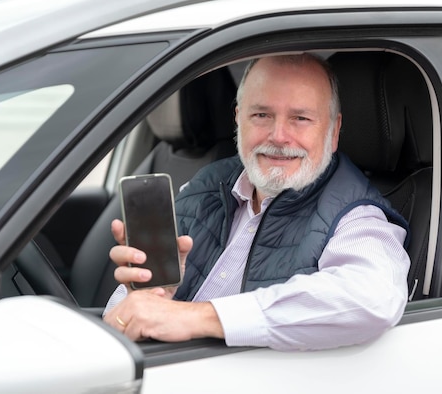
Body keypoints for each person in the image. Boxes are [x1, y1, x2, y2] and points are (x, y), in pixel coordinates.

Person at [103, 53, 411, 351]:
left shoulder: (356, 216)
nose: (278, 136)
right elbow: (121, 315)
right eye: (262, 115)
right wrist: (153, 297)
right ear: (239, 119)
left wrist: (199, 318)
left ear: (333, 131)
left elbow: (372, 298)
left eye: (300, 118)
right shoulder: (203, 188)